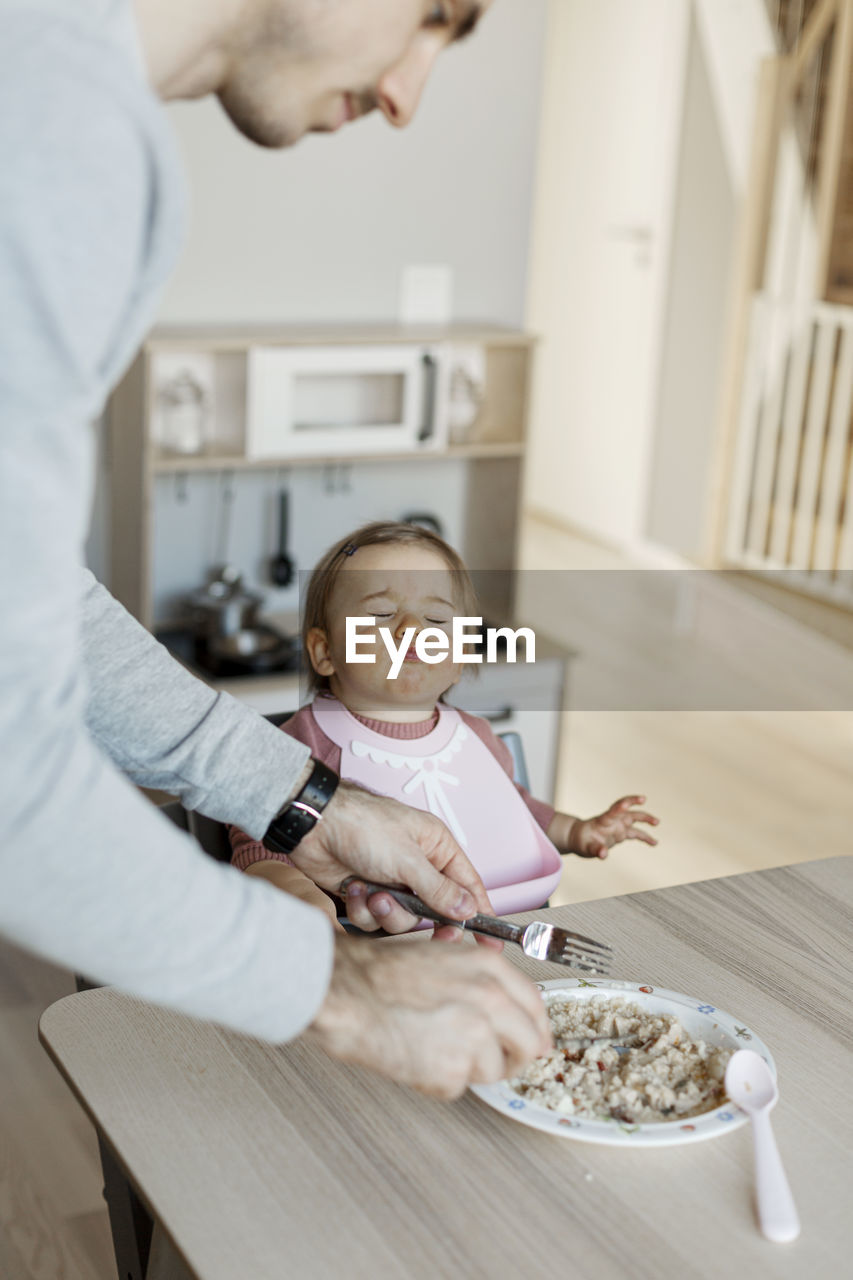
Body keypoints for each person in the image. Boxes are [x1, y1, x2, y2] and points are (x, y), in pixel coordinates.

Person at [0, 0, 554, 1100]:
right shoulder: (55, 131)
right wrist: (338, 989)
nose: (406, 95)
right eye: (433, 18)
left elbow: (34, 602)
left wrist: (305, 800)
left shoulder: (72, 104)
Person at [230, 522, 659, 922]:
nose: (413, 629)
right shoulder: (303, 744)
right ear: (324, 651)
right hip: (374, 943)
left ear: (459, 659)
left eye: (436, 620)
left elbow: (516, 810)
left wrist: (580, 831)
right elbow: (258, 834)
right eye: (382, 614)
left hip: (507, 923)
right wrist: (300, 897)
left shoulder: (477, 738)